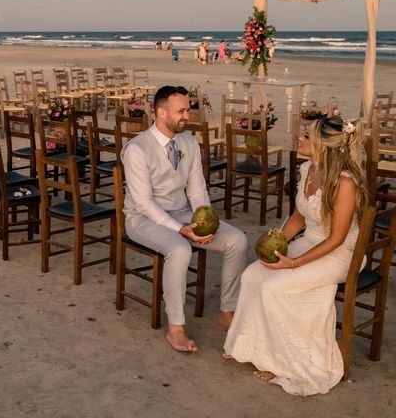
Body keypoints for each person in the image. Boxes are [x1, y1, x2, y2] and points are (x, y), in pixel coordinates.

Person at [224, 116, 367, 396]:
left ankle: (283, 363)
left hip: (340, 254)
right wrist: (278, 241)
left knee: (274, 286)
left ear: (322, 146)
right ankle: (251, 347)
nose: (299, 139)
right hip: (310, 241)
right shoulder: (307, 169)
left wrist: (294, 264)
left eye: (305, 136)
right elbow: (299, 216)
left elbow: (337, 238)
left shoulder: (345, 183)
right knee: (252, 275)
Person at [122, 86, 248, 352]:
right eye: (181, 111)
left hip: (183, 213)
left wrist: (204, 222)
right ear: (160, 112)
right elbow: (143, 202)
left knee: (237, 240)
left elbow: (197, 189)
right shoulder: (137, 149)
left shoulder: (188, 142)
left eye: (187, 110)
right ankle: (176, 328)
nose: (186, 116)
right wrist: (181, 230)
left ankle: (228, 310)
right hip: (143, 219)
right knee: (179, 249)